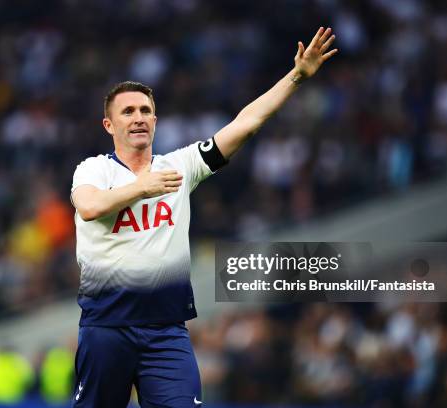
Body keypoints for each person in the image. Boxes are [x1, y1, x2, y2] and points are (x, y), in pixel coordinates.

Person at [70, 27, 338, 407]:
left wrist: (296, 76)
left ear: (156, 120)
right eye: (127, 111)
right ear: (109, 126)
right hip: (107, 329)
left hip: (166, 333)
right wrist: (143, 188)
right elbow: (90, 206)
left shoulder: (180, 167)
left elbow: (244, 124)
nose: (138, 117)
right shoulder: (94, 170)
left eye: (145, 110)